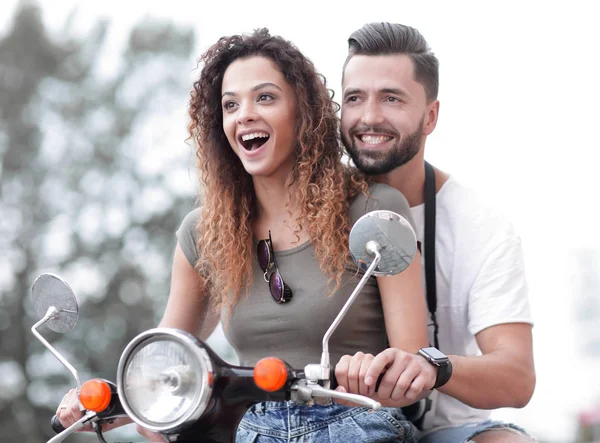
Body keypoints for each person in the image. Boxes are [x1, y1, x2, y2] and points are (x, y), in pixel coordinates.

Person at [56, 28, 436, 443]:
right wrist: (108, 402)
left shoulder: (374, 209)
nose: (245, 114)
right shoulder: (203, 234)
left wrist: (372, 374)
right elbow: (161, 367)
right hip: (253, 430)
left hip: (360, 425)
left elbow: (410, 366)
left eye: (265, 97)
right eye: (230, 105)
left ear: (302, 111)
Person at [334, 22, 536, 443]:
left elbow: (517, 377)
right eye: (355, 98)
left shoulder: (480, 224)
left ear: (430, 116)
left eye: (391, 98)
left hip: (447, 431)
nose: (369, 116)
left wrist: (433, 365)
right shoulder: (313, 211)